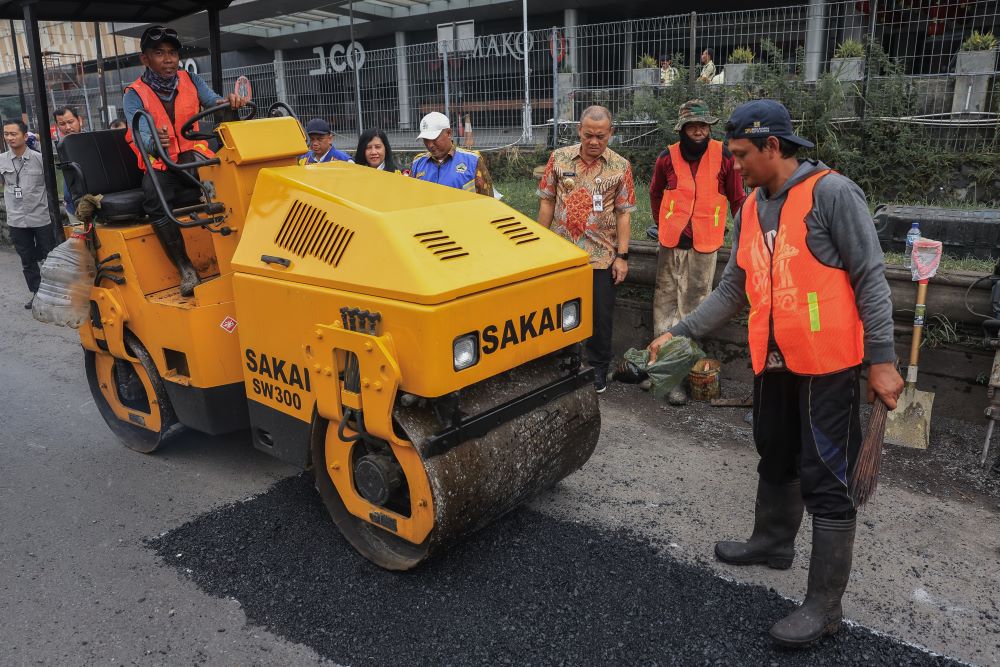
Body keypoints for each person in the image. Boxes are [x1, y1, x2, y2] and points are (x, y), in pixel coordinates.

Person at [646, 99, 904, 648]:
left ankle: (823, 608)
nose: (733, 165)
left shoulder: (833, 194)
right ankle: (772, 542)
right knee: (776, 453)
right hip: (775, 362)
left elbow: (872, 279)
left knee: (828, 481)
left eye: (740, 155)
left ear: (772, 147)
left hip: (828, 365)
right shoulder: (752, 209)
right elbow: (734, 288)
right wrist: (683, 330)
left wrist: (882, 361)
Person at [123, 25, 248, 297]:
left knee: (228, 178)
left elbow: (214, 103)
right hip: (161, 164)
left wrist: (229, 104)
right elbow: (138, 132)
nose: (168, 59)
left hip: (192, 157)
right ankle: (186, 268)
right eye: (159, 53)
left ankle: (241, 255)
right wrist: (155, 142)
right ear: (145, 59)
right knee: (155, 197)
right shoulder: (134, 93)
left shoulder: (191, 80)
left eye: (172, 53)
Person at [649, 99, 746, 405]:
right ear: (683, 128)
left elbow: (737, 198)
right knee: (664, 304)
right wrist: (664, 225)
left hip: (706, 244)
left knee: (694, 308)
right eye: (693, 126)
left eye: (703, 126)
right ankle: (661, 372)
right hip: (672, 243)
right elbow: (654, 193)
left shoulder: (724, 156)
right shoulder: (667, 157)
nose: (699, 131)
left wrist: (745, 235)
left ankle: (682, 373)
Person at [537, 105, 635, 394]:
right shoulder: (559, 158)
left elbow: (624, 213)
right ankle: (561, 366)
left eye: (601, 136)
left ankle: (597, 370)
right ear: (579, 130)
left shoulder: (621, 167)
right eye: (589, 135)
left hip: (601, 256)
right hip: (561, 255)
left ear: (611, 134)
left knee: (599, 318)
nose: (594, 142)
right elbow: (547, 202)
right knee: (558, 314)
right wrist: (538, 244)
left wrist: (623, 257)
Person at [1, 119, 57, 309]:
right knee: (27, 260)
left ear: (25, 136)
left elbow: (50, 186)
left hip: (40, 217)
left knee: (49, 256)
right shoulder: (1, 161)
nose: (9, 137)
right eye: (6, 134)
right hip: (16, 219)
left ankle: (54, 294)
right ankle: (37, 293)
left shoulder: (40, 159)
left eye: (13, 134)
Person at [409, 111, 494, 197]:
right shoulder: (418, 163)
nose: (430, 145)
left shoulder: (472, 161)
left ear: (449, 133)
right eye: (426, 139)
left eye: (434, 138)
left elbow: (488, 202)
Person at [53, 106, 85, 218]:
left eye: (71, 122)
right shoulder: (61, 146)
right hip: (72, 206)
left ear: (80, 120)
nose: (67, 127)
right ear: (57, 126)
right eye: (62, 124)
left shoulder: (91, 141)